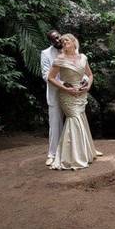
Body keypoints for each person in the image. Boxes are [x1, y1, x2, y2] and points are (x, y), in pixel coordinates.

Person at [46, 33, 101, 170]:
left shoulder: (82, 57)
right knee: (74, 119)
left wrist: (88, 86)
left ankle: (85, 153)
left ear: (74, 42)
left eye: (67, 40)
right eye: (63, 42)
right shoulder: (60, 59)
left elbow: (89, 74)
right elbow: (50, 78)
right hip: (67, 95)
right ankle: (71, 158)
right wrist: (65, 88)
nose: (64, 43)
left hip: (81, 94)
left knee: (81, 119)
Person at [40, 29, 64, 167]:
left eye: (58, 37)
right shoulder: (45, 53)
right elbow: (45, 75)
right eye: (53, 39)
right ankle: (52, 154)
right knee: (55, 123)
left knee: (77, 119)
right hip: (55, 92)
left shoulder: (70, 48)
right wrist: (61, 84)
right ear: (50, 41)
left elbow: (79, 67)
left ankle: (83, 149)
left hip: (71, 91)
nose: (57, 40)